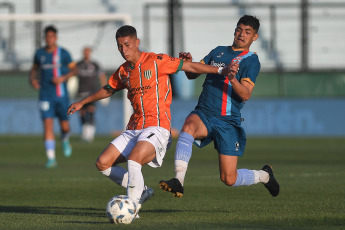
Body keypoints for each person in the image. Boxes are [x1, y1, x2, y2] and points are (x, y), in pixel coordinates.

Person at [67, 25, 237, 217]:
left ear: (136, 42)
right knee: (103, 163)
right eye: (119, 46)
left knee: (134, 159)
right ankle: (142, 191)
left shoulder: (157, 61)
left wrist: (221, 71)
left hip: (158, 128)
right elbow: (108, 88)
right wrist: (83, 102)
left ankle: (131, 207)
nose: (124, 50)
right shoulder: (123, 71)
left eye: (127, 44)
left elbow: (189, 66)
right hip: (134, 128)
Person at [159, 15, 280, 198]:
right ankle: (179, 180)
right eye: (239, 29)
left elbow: (246, 94)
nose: (242, 34)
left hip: (228, 121)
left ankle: (264, 175)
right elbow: (193, 74)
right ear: (234, 30)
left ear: (255, 37)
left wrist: (231, 78)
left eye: (247, 32)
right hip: (204, 113)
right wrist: (188, 62)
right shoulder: (218, 51)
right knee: (188, 127)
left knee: (228, 178)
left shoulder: (251, 61)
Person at [29, 25, 76, 168]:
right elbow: (34, 69)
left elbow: (74, 69)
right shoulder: (39, 53)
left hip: (61, 96)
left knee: (65, 126)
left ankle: (65, 138)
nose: (49, 39)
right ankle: (51, 158)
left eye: (52, 36)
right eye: (47, 36)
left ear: (56, 37)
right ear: (45, 38)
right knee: (47, 125)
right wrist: (32, 79)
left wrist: (63, 78)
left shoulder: (63, 53)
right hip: (45, 95)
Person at [76, 46, 108, 142]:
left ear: (90, 53)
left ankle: (90, 132)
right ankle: (84, 130)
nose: (86, 53)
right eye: (85, 52)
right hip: (81, 92)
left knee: (91, 110)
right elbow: (72, 76)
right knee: (81, 112)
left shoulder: (95, 64)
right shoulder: (78, 64)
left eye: (88, 52)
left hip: (92, 92)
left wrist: (105, 88)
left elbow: (102, 76)